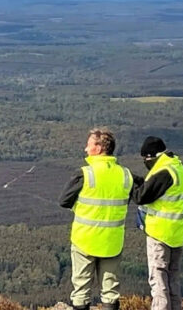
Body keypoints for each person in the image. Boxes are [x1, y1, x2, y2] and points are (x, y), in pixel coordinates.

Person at [59, 128, 141, 310]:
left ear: (98, 147)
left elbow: (64, 201)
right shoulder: (126, 175)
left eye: (88, 145)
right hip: (112, 241)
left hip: (84, 240)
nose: (85, 149)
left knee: (81, 290)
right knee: (110, 291)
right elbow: (141, 193)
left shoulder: (85, 174)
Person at [133, 136, 183, 310]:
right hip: (177, 233)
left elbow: (140, 196)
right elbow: (154, 189)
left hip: (160, 233)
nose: (144, 162)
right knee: (172, 280)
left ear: (151, 156)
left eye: (145, 159)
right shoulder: (177, 168)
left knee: (158, 280)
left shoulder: (163, 172)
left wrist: (130, 183)